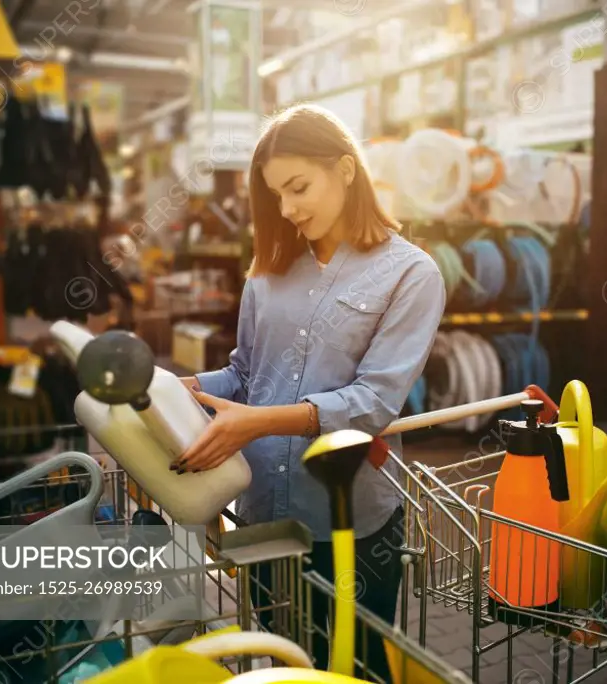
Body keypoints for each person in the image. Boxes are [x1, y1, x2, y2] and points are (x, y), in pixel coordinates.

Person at [177, 104, 445, 681]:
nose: (288, 208)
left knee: (353, 667)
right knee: (283, 665)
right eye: (275, 195)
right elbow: (246, 377)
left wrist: (256, 423)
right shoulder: (269, 270)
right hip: (261, 513)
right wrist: (186, 389)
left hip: (348, 521)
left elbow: (373, 402)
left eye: (298, 187)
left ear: (346, 170)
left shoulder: (410, 275)